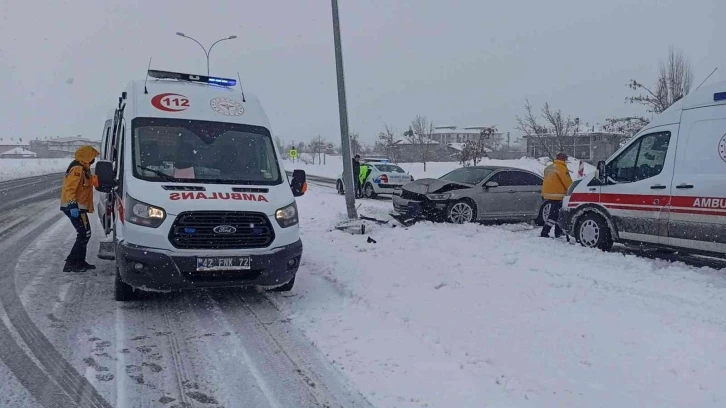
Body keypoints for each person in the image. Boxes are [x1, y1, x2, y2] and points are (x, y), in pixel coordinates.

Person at [60, 145, 100, 272]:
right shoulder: (77, 168)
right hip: (74, 207)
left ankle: (79, 261)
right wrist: (72, 205)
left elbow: (86, 185)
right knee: (84, 234)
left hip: (78, 207)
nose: (94, 160)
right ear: (86, 157)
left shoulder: (84, 169)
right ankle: (72, 263)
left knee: (84, 234)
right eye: (92, 157)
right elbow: (70, 189)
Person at [540, 152, 572, 238]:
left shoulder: (549, 167)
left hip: (549, 195)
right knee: (555, 215)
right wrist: (572, 189)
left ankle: (557, 232)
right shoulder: (562, 168)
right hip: (558, 195)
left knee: (557, 214)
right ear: (563, 159)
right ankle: (545, 232)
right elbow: (568, 183)